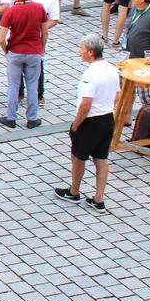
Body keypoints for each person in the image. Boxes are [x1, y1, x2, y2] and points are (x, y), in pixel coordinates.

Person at [55, 35, 118, 215]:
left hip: (90, 121)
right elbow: (117, 96)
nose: (79, 51)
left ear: (91, 53)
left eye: (82, 48)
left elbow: (85, 105)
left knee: (78, 156)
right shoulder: (112, 69)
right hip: (107, 118)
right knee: (101, 159)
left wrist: (75, 125)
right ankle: (99, 199)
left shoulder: (90, 74)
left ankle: (74, 192)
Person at [0, 0, 48, 129]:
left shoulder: (10, 11)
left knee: (13, 85)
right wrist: (42, 47)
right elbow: (45, 31)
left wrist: (6, 49)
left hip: (15, 52)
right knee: (32, 85)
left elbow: (1, 38)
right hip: (34, 52)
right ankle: (32, 119)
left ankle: (11, 118)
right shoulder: (39, 8)